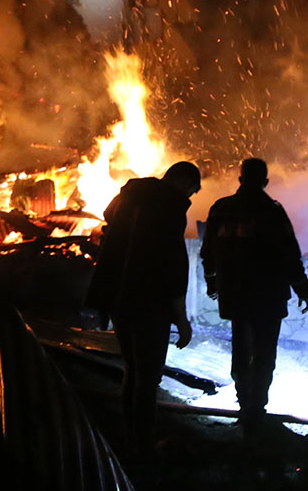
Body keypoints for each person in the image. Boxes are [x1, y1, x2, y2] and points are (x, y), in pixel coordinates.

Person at [84, 161, 201, 459]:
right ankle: (143, 449)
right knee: (148, 376)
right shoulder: (171, 207)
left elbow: (108, 219)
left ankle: (129, 440)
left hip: (120, 298)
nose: (191, 198)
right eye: (192, 191)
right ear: (183, 183)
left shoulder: (130, 194)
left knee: (132, 371)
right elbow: (173, 265)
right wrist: (181, 319)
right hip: (150, 303)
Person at [200, 158, 308, 433]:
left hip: (235, 292)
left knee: (241, 348)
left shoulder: (222, 208)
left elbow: (208, 251)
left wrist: (213, 282)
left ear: (240, 179)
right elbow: (289, 252)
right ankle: (256, 410)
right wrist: (301, 286)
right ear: (265, 182)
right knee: (263, 353)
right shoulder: (271, 211)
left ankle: (243, 404)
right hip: (268, 295)